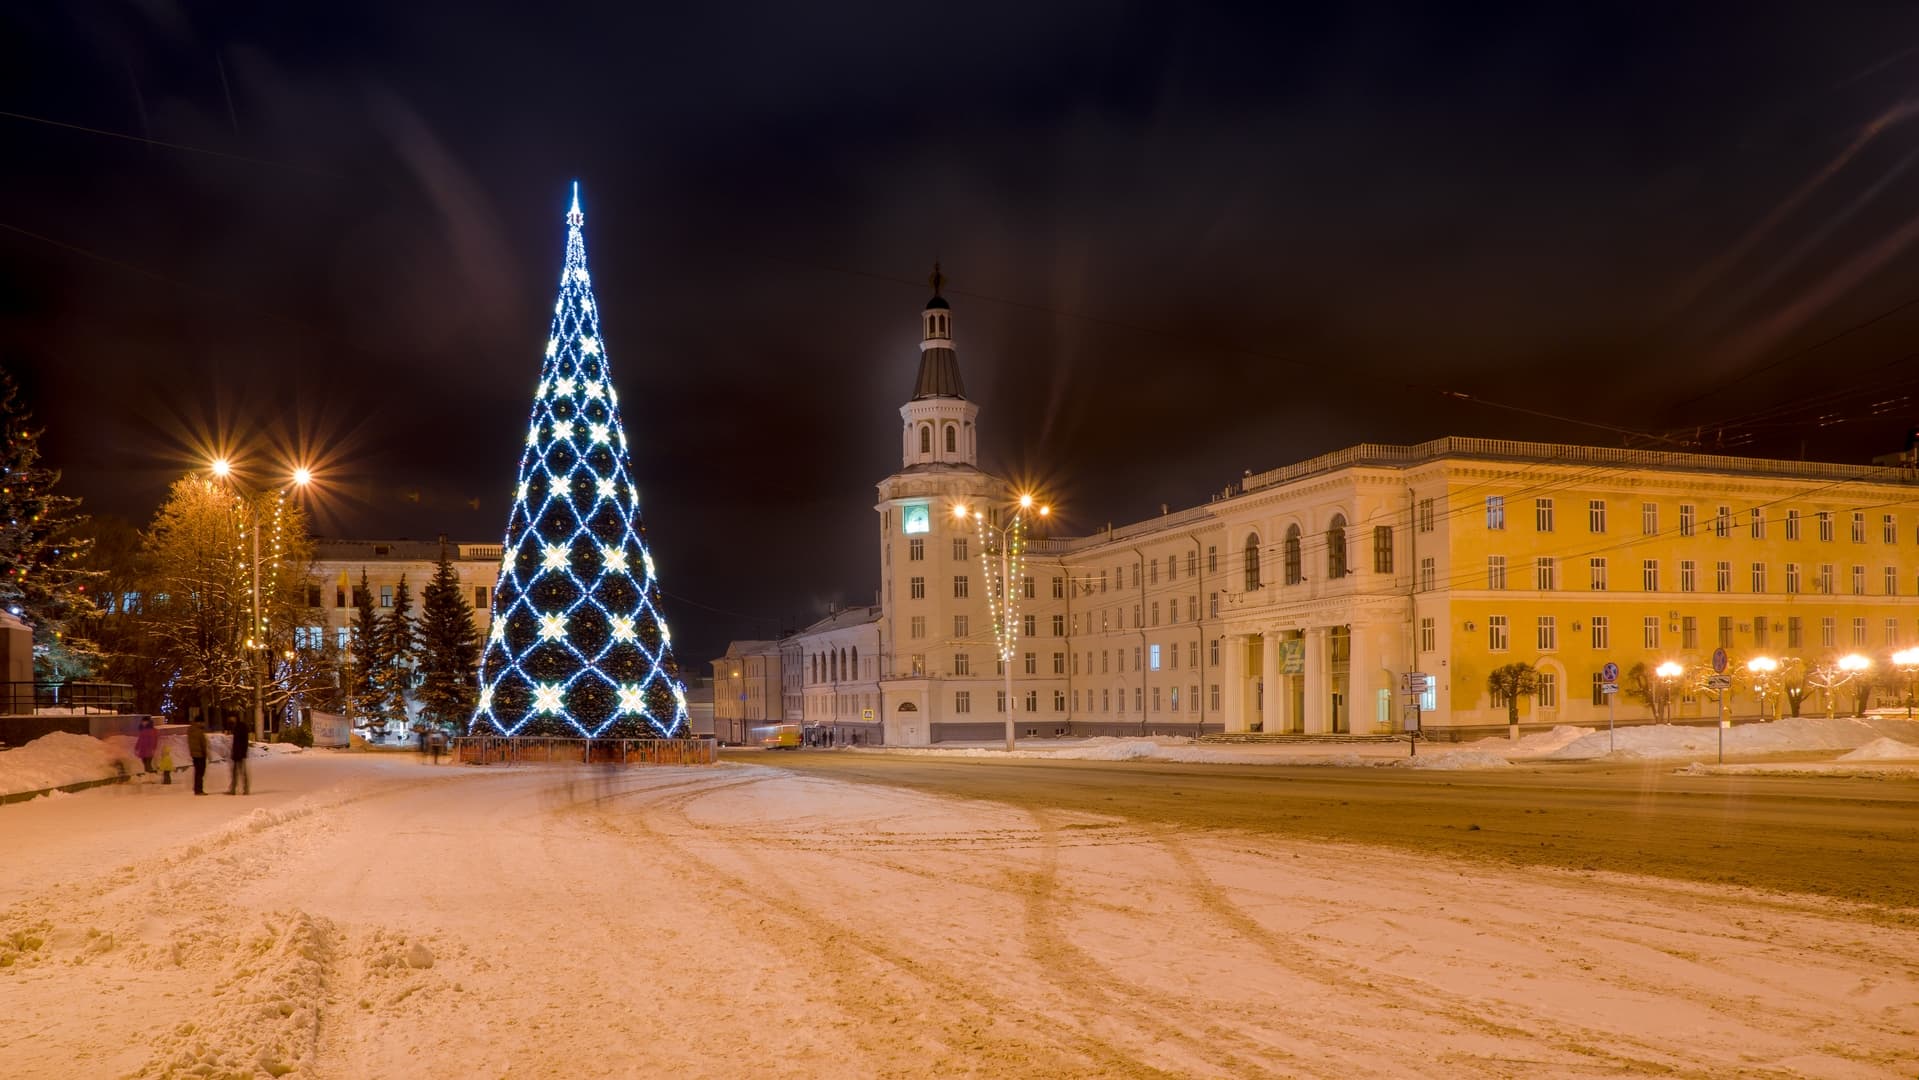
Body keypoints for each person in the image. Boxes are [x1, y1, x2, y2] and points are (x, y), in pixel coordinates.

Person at [227, 715, 251, 796]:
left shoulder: (240, 727)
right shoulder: (236, 726)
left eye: (231, 717)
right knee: (236, 772)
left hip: (240, 753)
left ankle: (244, 789)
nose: (230, 719)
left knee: (241, 772)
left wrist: (241, 752)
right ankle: (234, 789)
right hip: (237, 752)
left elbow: (243, 741)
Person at [187, 713, 209, 796]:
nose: (203, 724)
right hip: (200, 754)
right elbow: (203, 744)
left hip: (194, 754)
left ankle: (197, 789)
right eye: (202, 722)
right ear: (199, 722)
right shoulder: (199, 731)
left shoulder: (190, 730)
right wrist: (205, 753)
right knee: (200, 772)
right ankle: (199, 790)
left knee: (197, 772)